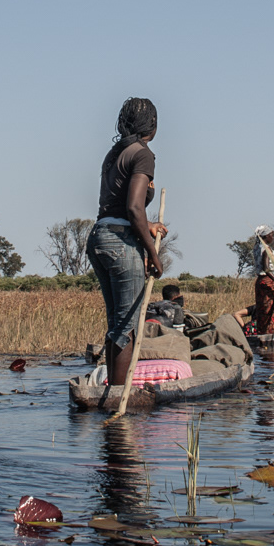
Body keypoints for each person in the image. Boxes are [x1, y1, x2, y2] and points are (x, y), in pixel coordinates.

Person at [86, 98, 167, 391]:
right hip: (120, 243)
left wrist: (147, 226)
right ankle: (119, 399)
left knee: (116, 325)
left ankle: (111, 390)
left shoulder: (114, 152)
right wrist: (153, 255)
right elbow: (134, 208)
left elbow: (118, 209)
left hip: (100, 235)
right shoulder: (143, 154)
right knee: (125, 328)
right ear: (153, 126)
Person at [248, 230, 274, 339]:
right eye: (271, 235)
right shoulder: (266, 249)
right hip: (268, 284)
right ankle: (271, 335)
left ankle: (263, 333)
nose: (273, 237)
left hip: (261, 282)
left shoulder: (258, 247)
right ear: (265, 236)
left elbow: (268, 261)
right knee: (271, 311)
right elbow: (266, 268)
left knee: (264, 311)